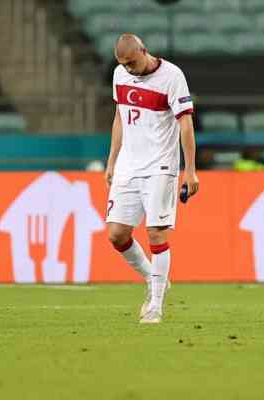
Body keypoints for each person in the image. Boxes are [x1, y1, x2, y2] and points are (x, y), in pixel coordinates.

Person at [105, 33, 199, 324]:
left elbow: (185, 124)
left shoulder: (172, 76)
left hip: (160, 166)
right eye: (124, 64)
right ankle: (153, 278)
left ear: (144, 51)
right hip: (128, 166)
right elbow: (120, 116)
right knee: (116, 235)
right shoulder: (120, 74)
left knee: (156, 233)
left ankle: (156, 304)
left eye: (133, 62)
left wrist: (190, 170)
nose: (129, 69)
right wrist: (112, 160)